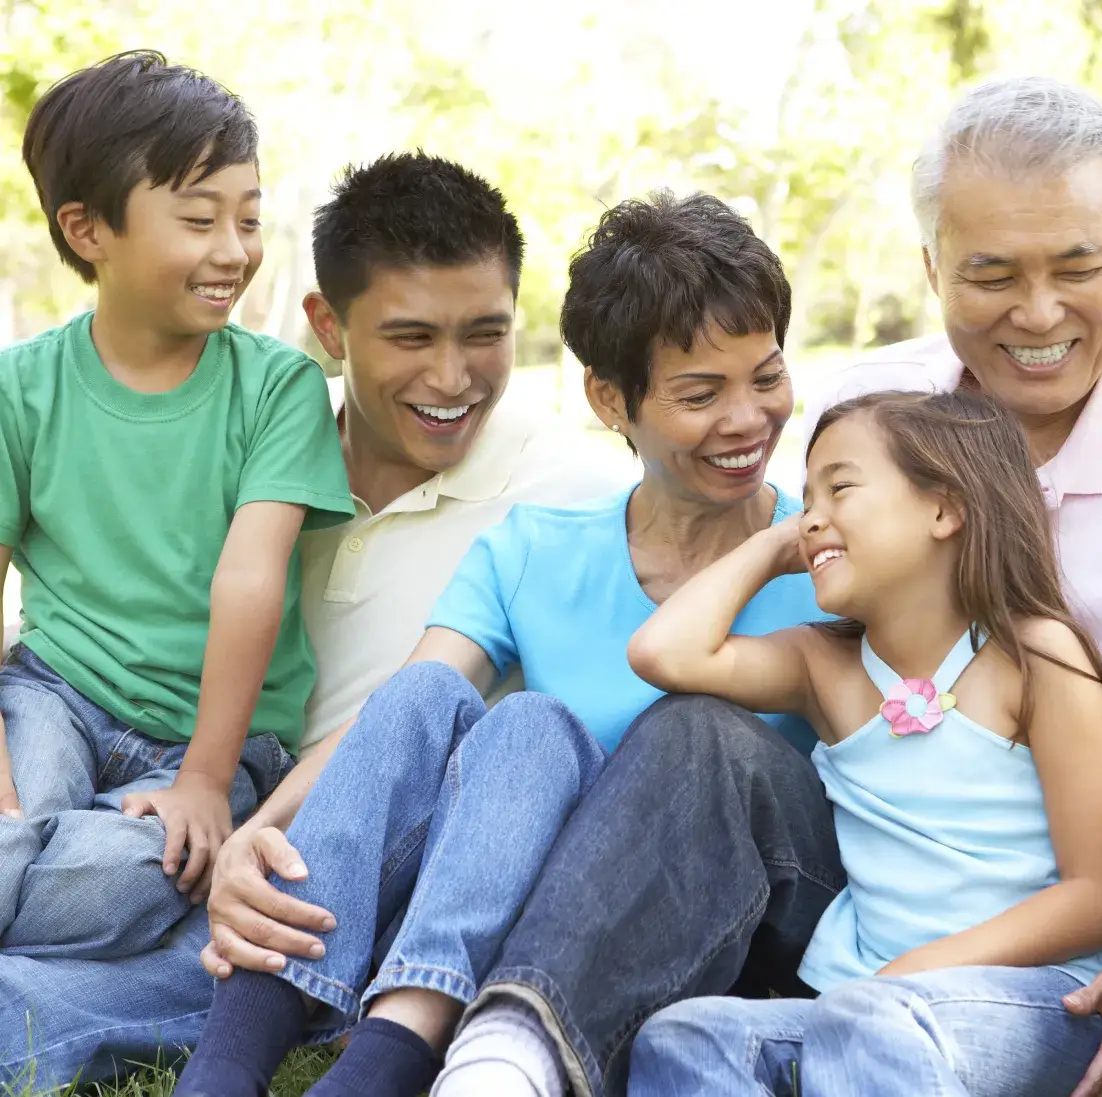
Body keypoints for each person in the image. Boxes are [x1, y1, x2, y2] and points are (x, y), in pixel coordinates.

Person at [441, 76, 1102, 1097]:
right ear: (931, 262)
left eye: (1078, 266)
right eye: (992, 274)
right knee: (696, 736)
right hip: (889, 872)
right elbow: (814, 658)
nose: (1038, 312)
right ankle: (516, 1048)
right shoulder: (872, 406)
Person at [172, 189, 826, 1097]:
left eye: (767, 376)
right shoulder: (536, 549)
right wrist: (260, 832)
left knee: (631, 726)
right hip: (518, 909)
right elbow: (400, 711)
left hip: (718, 919)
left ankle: (385, 1059)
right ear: (611, 397)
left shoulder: (828, 562)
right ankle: (240, 1062)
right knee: (499, 720)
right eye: (701, 392)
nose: (750, 419)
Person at [0, 151, 630, 1091]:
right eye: (410, 336)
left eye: (484, 333)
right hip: (177, 814)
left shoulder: (573, 493)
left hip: (327, 876)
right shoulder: (254, 446)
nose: (451, 377)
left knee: (53, 990)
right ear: (329, 328)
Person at [622, 389, 1102, 1096]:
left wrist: (911, 975)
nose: (813, 517)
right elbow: (663, 652)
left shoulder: (1036, 655)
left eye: (841, 487)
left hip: (1029, 998)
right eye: (806, 499)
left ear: (944, 508)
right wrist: (774, 544)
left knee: (868, 1022)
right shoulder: (824, 667)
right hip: (861, 1008)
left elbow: (1098, 894)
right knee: (683, 1037)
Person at [0, 49, 352, 967]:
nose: (233, 250)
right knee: (13, 818)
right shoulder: (21, 387)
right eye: (199, 220)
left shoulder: (277, 388)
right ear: (87, 230)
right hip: (55, 695)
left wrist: (202, 777)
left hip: (214, 740)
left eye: (247, 219)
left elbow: (249, 577)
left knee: (136, 872)